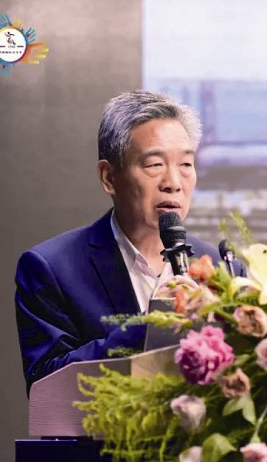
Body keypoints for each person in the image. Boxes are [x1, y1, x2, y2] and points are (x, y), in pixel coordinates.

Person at [15, 90, 230, 396]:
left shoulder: (220, 267)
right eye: (154, 164)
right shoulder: (52, 268)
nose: (174, 182)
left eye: (186, 164)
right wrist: (149, 328)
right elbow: (46, 386)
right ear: (109, 177)